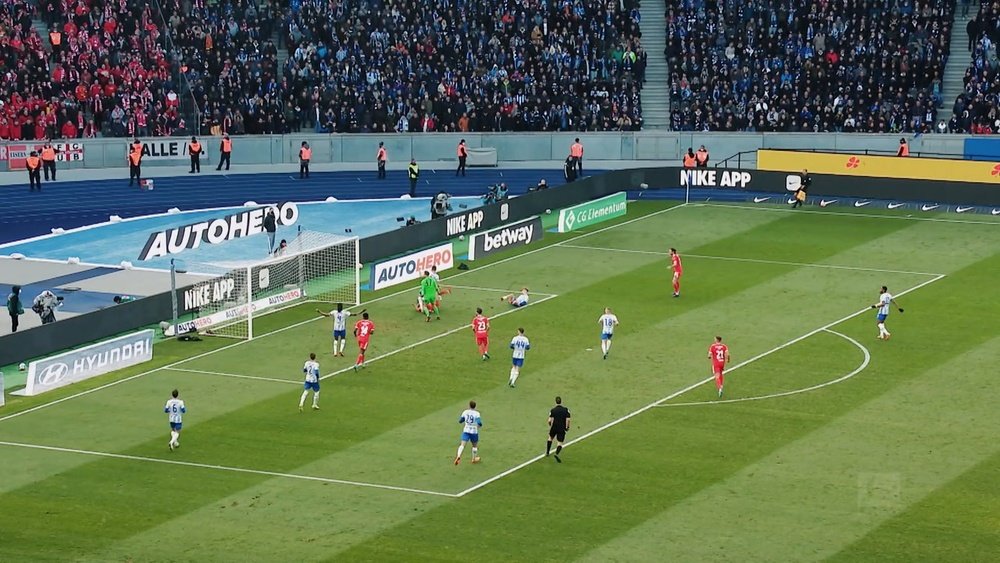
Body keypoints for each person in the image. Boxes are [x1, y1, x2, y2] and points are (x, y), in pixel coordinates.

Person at [454, 399, 482, 465]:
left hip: (466, 430)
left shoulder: (465, 412)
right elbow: (479, 422)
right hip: (474, 432)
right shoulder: (477, 413)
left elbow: (460, 421)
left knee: (462, 445)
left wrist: (465, 420)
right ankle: (474, 459)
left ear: (469, 406)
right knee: (474, 446)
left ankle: (458, 456)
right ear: (475, 406)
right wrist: (478, 426)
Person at [546, 396, 571, 463]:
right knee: (559, 443)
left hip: (554, 427)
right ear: (561, 401)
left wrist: (550, 426)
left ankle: (547, 452)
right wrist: (567, 427)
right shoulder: (566, 410)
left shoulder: (553, 410)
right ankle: (556, 454)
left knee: (550, 438)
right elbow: (568, 420)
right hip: (561, 428)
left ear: (555, 402)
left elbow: (549, 420)